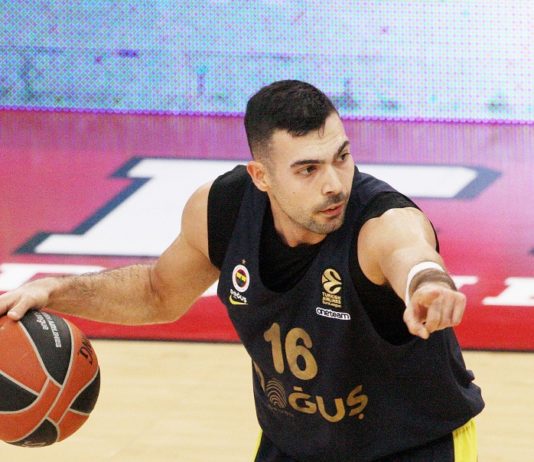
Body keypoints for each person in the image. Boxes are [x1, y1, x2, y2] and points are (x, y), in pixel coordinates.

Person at [0, 80, 483, 461]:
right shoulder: (224, 210)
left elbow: (409, 252)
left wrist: (427, 283)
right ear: (261, 176)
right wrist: (54, 291)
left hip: (411, 447)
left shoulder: (378, 221)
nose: (335, 184)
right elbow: (156, 293)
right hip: (295, 446)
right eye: (308, 169)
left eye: (341, 157)